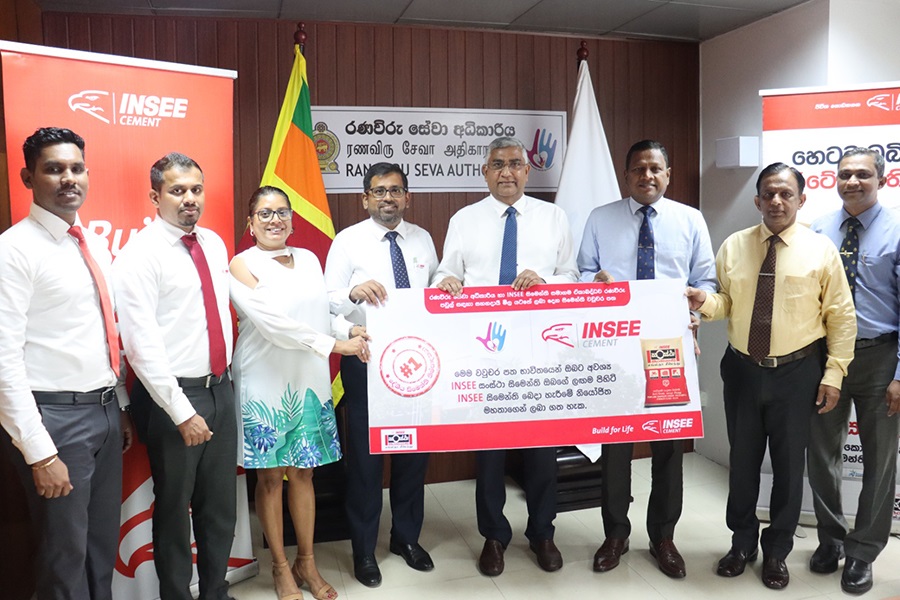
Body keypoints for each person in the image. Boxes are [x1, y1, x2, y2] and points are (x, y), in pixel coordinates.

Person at [686, 162, 856, 590]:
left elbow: (840, 317)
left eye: (786, 194)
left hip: (798, 372)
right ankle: (742, 542)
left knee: (786, 465)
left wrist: (833, 374)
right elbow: (727, 303)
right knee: (741, 462)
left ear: (801, 199)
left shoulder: (821, 250)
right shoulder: (734, 246)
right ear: (757, 200)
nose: (776, 201)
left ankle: (777, 549)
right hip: (743, 369)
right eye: (768, 194)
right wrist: (704, 301)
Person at [433, 136, 579, 576]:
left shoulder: (553, 217)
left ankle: (542, 532)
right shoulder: (465, 219)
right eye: (498, 164)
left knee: (540, 449)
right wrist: (447, 282)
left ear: (527, 170)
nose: (507, 172)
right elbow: (446, 270)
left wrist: (546, 283)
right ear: (485, 171)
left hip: (539, 347)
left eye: (515, 164)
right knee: (490, 451)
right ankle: (494, 536)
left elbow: (572, 276)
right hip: (484, 350)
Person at [0, 127, 131, 600]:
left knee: (100, 548)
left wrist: (117, 405)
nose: (67, 178)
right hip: (54, 420)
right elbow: (3, 361)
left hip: (102, 412)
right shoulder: (13, 250)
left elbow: (100, 332)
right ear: (28, 177)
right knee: (64, 559)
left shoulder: (91, 241)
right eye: (53, 169)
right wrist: (40, 452)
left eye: (76, 168)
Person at [578, 139, 716, 579]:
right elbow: (581, 272)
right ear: (627, 174)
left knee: (669, 449)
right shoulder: (601, 219)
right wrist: (592, 280)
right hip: (614, 351)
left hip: (667, 351)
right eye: (638, 169)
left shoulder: (690, 220)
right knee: (615, 447)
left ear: (668, 173)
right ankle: (615, 534)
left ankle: (663, 537)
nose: (647, 176)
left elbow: (705, 280)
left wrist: (695, 309)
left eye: (655, 168)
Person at [230, 186, 370, 600]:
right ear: (250, 223)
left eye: (282, 213)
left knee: (306, 473)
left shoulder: (309, 258)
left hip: (307, 379)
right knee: (271, 478)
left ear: (292, 219)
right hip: (264, 380)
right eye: (265, 213)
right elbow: (274, 325)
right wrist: (334, 346)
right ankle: (279, 567)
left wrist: (348, 330)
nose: (275, 220)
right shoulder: (241, 265)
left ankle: (306, 561)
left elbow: (321, 312)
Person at [114, 152, 237, 600]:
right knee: (173, 511)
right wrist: (183, 413)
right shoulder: (140, 256)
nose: (189, 199)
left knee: (220, 507)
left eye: (196, 189)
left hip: (221, 390)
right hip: (174, 400)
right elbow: (141, 347)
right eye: (177, 190)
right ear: (155, 196)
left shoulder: (214, 243)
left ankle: (216, 592)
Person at [324, 162, 439, 587]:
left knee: (413, 456)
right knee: (367, 463)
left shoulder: (422, 240)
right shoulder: (348, 241)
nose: (387, 198)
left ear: (407, 197)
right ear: (365, 198)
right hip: (367, 361)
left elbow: (434, 295)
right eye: (379, 191)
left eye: (395, 190)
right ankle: (364, 549)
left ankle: (406, 538)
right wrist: (352, 293)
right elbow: (327, 301)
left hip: (417, 364)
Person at [805, 147, 900, 595]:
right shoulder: (819, 230)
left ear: (880, 178)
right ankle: (831, 539)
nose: (852, 182)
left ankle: (862, 552)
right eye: (844, 175)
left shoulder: (897, 230)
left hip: (882, 358)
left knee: (880, 460)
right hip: (826, 358)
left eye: (862, 174)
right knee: (822, 453)